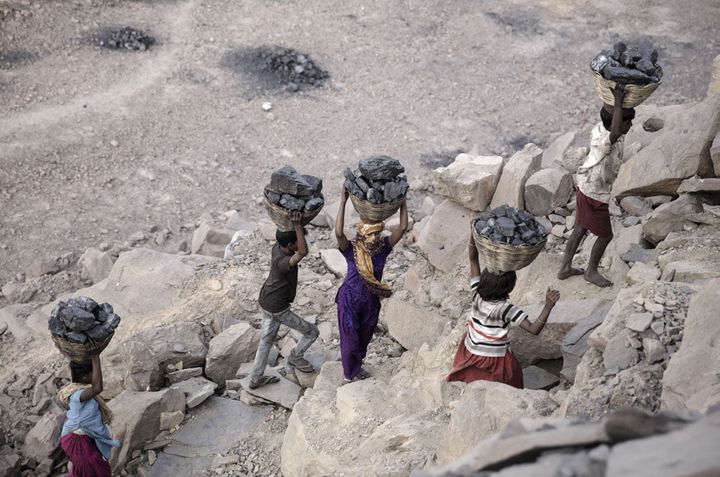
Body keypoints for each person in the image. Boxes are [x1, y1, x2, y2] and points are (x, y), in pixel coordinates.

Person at [447, 231, 560, 388]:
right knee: (512, 377)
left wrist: (473, 233)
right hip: (494, 359)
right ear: (509, 288)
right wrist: (548, 306)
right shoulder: (506, 309)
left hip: (472, 349)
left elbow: (473, 260)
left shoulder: (476, 294)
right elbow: (534, 329)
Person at [558, 84, 635, 287]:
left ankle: (565, 268)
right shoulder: (606, 140)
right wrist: (618, 101)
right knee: (605, 235)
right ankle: (591, 272)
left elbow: (612, 120)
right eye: (629, 123)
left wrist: (613, 98)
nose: (631, 127)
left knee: (580, 228)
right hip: (594, 193)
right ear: (618, 125)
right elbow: (617, 128)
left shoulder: (600, 127)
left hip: (585, 184)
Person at [335, 188, 408, 382]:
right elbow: (338, 233)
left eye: (376, 235)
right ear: (362, 235)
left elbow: (402, 228)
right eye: (370, 236)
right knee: (350, 341)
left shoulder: (383, 248)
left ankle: (357, 367)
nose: (373, 239)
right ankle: (349, 375)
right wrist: (343, 202)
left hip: (370, 302)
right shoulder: (352, 250)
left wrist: (402, 201)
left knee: (364, 338)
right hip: (349, 300)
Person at [250, 212, 319, 388]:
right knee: (312, 332)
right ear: (290, 245)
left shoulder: (277, 247)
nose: (301, 242)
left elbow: (284, 233)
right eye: (298, 240)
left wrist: (293, 220)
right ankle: (295, 356)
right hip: (278, 308)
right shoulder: (284, 262)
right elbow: (303, 252)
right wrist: (297, 226)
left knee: (266, 341)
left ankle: (256, 377)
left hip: (265, 300)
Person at [58, 354, 120, 477]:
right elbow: (98, 388)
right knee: (92, 468)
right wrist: (95, 356)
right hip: (78, 442)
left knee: (89, 469)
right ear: (85, 375)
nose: (95, 376)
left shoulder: (75, 390)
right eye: (94, 372)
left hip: (85, 437)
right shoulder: (77, 395)